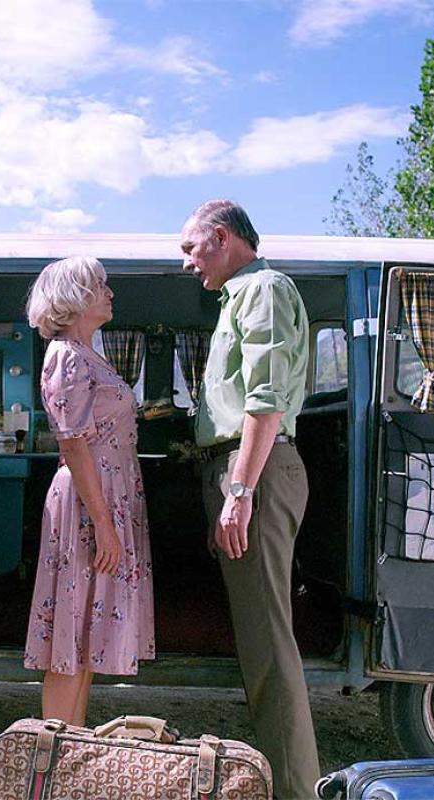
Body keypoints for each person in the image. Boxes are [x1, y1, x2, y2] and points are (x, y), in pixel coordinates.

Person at [180, 200, 318, 799]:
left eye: (191, 248)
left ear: (220, 237)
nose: (188, 262)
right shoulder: (238, 296)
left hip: (254, 468)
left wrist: (240, 489)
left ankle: (295, 789)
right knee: (258, 638)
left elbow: (265, 399)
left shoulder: (262, 288)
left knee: (267, 643)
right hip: (245, 469)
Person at [23, 256, 155, 726]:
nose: (109, 292)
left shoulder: (86, 354)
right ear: (75, 297)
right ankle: (53, 758)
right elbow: (73, 444)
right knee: (71, 635)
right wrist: (103, 523)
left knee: (84, 636)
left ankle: (69, 750)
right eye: (100, 284)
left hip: (103, 497)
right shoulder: (65, 355)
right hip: (87, 501)